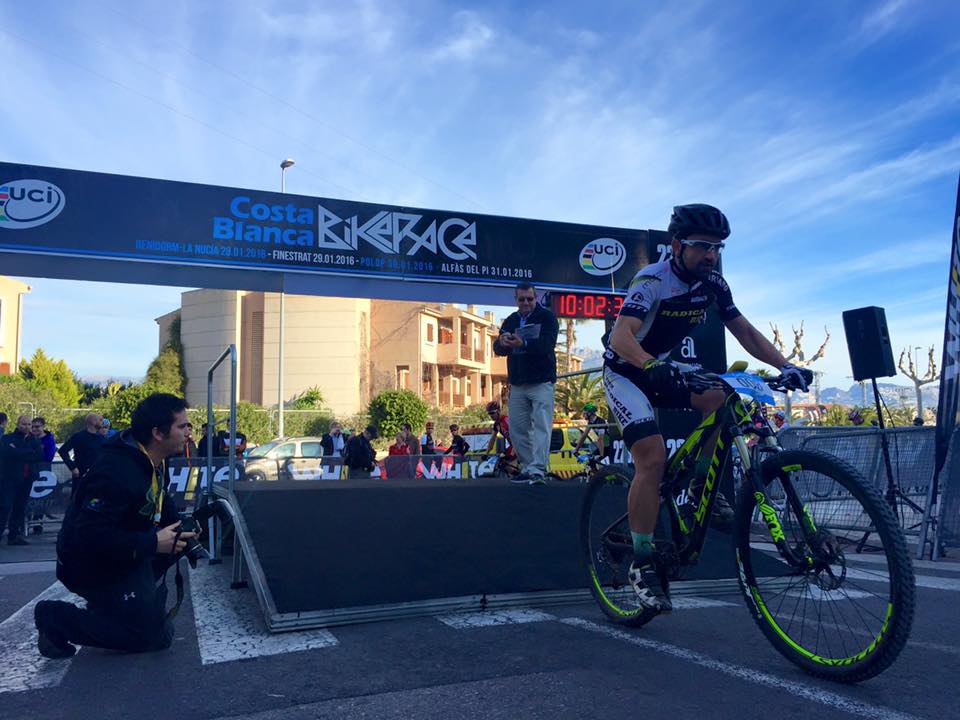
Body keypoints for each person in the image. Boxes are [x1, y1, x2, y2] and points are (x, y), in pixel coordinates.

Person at [602, 203, 812, 614]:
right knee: (652, 457)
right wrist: (649, 364)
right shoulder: (652, 281)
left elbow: (746, 331)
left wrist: (785, 365)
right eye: (702, 246)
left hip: (663, 365)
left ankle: (702, 486)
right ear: (677, 245)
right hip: (629, 371)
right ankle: (642, 564)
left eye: (717, 247)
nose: (712, 254)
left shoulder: (714, 284)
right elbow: (619, 336)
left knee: (721, 398)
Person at [33, 393, 196, 658]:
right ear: (157, 433)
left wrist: (183, 528)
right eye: (182, 426)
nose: (188, 433)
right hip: (87, 566)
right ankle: (56, 618)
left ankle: (117, 605)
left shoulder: (151, 459)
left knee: (157, 624)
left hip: (120, 556)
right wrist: (153, 543)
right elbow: (88, 536)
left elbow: (159, 497)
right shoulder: (115, 471)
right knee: (151, 637)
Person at [493, 282, 559, 484]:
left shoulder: (547, 318)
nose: (526, 303)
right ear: (516, 300)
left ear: (535, 297)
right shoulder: (511, 320)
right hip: (518, 383)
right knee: (517, 429)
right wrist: (502, 342)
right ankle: (529, 467)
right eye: (521, 299)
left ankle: (539, 469)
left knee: (541, 426)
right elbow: (498, 349)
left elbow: (548, 344)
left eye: (529, 299)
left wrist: (525, 343)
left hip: (541, 382)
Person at [0, 415, 43, 545]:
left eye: (29, 424)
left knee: (20, 507)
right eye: (24, 424)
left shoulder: (34, 440)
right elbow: (7, 453)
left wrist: (18, 451)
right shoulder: (8, 438)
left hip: (26, 478)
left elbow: (39, 455)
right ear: (18, 424)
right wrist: (27, 452)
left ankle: (14, 535)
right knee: (5, 507)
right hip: (10, 478)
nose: (27, 427)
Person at [58, 413, 106, 495]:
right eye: (100, 420)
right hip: (81, 475)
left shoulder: (101, 438)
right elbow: (62, 451)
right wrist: (73, 467)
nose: (103, 422)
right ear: (93, 421)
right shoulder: (78, 436)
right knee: (78, 500)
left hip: (97, 476)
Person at [485, 400, 519, 478]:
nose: (491, 415)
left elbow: (515, 437)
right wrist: (486, 453)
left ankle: (519, 476)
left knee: (505, 463)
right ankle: (516, 475)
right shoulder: (497, 424)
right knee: (501, 463)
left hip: (518, 445)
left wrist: (512, 453)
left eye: (492, 413)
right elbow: (492, 440)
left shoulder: (506, 420)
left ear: (498, 411)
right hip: (513, 446)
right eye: (489, 413)